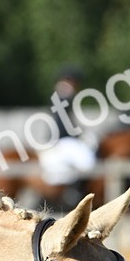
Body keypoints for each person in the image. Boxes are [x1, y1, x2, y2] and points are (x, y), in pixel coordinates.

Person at [38, 66, 97, 209]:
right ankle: (73, 192)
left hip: (62, 136)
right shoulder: (63, 95)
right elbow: (63, 123)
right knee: (87, 161)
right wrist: (78, 135)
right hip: (62, 138)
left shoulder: (63, 96)